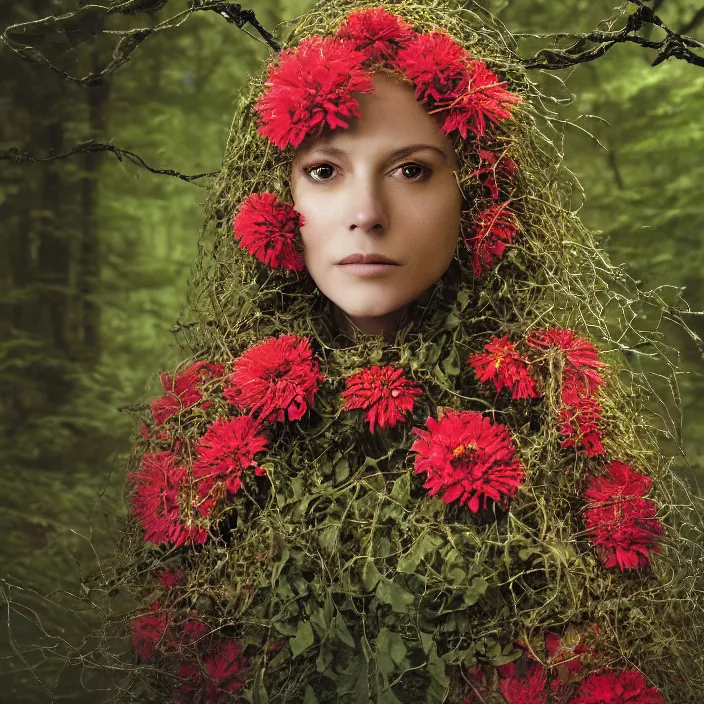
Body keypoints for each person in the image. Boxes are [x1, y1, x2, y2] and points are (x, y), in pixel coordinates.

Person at [118, 1, 704, 702]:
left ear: (478, 195)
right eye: (326, 172)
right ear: (277, 200)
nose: (367, 213)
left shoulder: (560, 414)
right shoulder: (200, 428)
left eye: (412, 171)